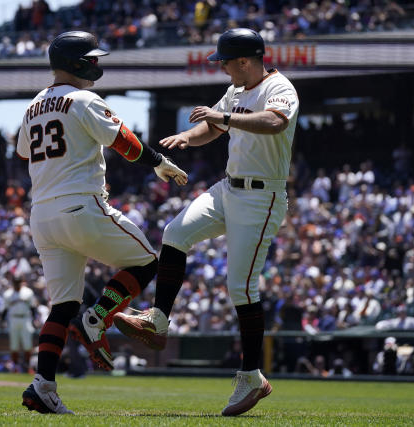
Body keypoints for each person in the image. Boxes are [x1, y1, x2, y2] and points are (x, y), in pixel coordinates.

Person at [114, 27, 299, 417]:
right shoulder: (235, 91)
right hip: (228, 188)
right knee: (174, 233)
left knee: (241, 287)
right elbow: (212, 127)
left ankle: (252, 376)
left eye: (227, 62)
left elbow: (274, 122)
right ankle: (158, 319)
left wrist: (223, 117)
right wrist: (189, 135)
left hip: (261, 196)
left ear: (245, 61)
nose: (224, 68)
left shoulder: (280, 87)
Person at [17, 31, 187, 415]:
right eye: (90, 58)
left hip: (42, 215)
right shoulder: (84, 98)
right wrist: (158, 162)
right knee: (147, 262)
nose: (96, 64)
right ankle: (96, 318)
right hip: (81, 206)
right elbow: (124, 141)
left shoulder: (32, 106)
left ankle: (43, 386)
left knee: (61, 307)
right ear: (77, 62)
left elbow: (22, 149)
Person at [2, 277, 37, 372]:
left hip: (25, 318)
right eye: (15, 282)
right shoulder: (7, 294)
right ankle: (15, 367)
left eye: (18, 282)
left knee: (27, 345)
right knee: (14, 345)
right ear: (12, 282)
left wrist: (34, 320)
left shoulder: (28, 292)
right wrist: (2, 321)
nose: (17, 284)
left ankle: (27, 366)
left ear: (21, 282)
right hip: (13, 319)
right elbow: (4, 310)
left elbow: (33, 307)